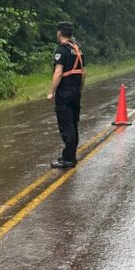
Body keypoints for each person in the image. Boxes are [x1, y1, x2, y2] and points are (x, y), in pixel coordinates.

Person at [47, 21, 85, 169]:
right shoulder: (77, 49)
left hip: (64, 93)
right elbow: (83, 73)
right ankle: (71, 155)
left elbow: (58, 73)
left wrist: (51, 92)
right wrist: (79, 89)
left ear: (59, 33)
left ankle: (68, 159)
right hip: (76, 92)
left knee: (66, 126)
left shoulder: (62, 50)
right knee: (73, 125)